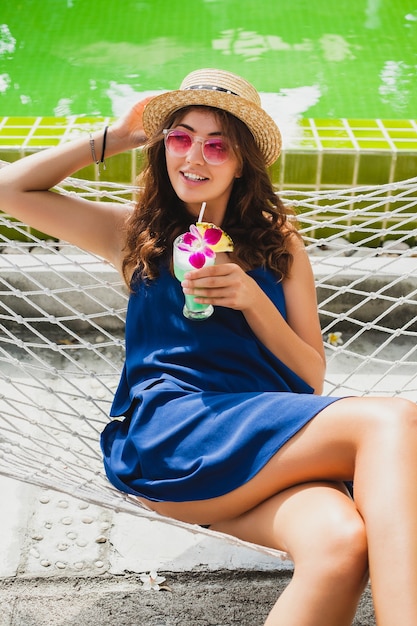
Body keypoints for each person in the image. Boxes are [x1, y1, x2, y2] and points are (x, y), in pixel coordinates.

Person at [0, 68, 416, 626]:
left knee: (339, 546)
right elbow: (9, 190)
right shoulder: (137, 235)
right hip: (172, 437)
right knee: (392, 423)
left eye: (216, 144)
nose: (193, 156)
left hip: (265, 441)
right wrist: (119, 137)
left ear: (242, 161)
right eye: (180, 136)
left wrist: (253, 301)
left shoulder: (280, 243)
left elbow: (311, 378)